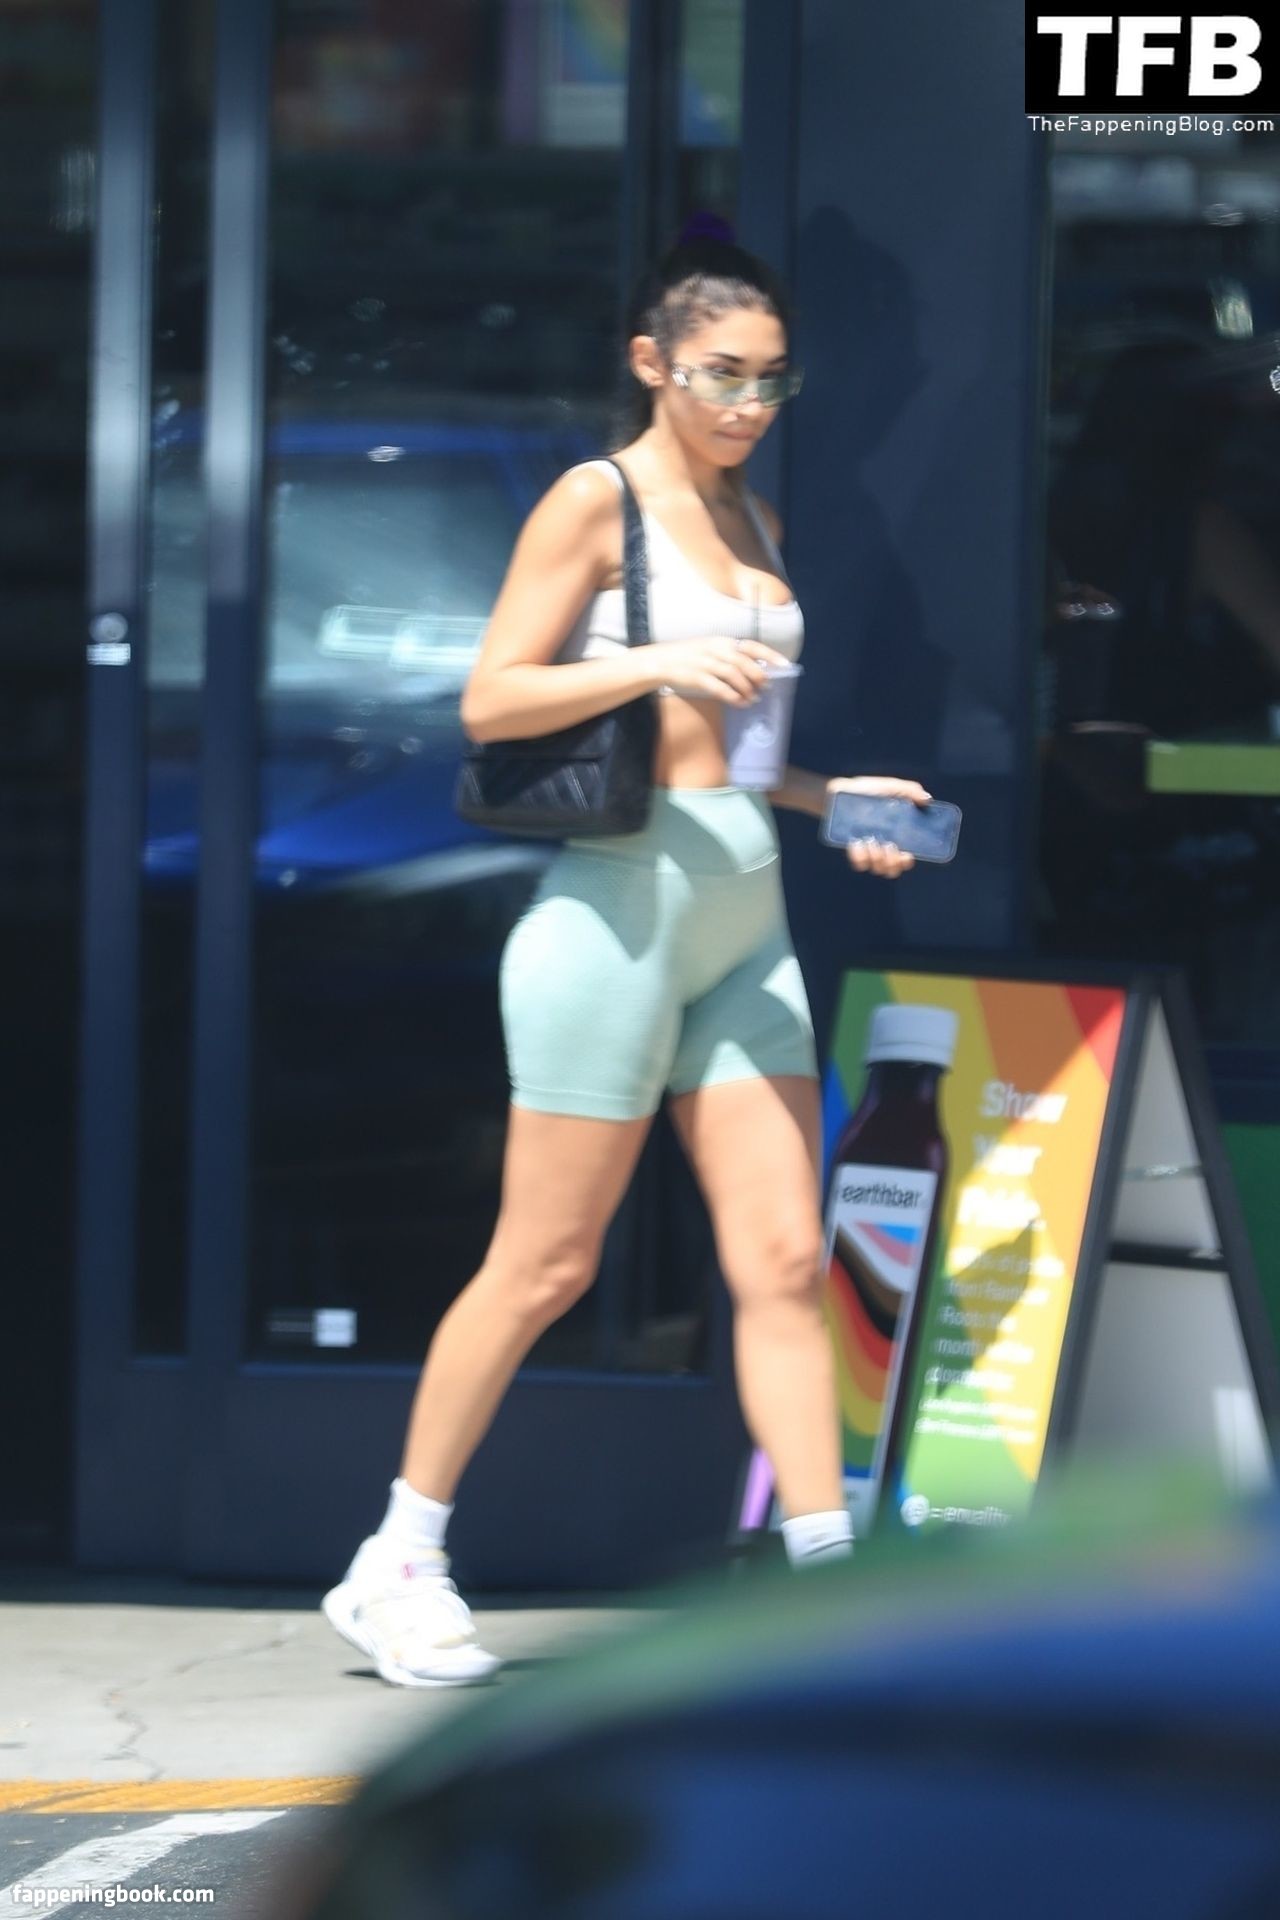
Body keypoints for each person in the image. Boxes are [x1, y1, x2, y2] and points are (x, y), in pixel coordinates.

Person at [321, 220, 931, 1689]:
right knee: (545, 1261)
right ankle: (395, 1560)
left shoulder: (757, 517)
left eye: (771, 381)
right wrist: (653, 657)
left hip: (743, 913)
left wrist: (835, 800)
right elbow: (491, 699)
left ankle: (825, 1586)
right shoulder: (595, 500)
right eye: (723, 374)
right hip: (612, 917)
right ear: (653, 361)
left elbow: (737, 755)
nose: (748, 404)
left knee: (781, 1260)